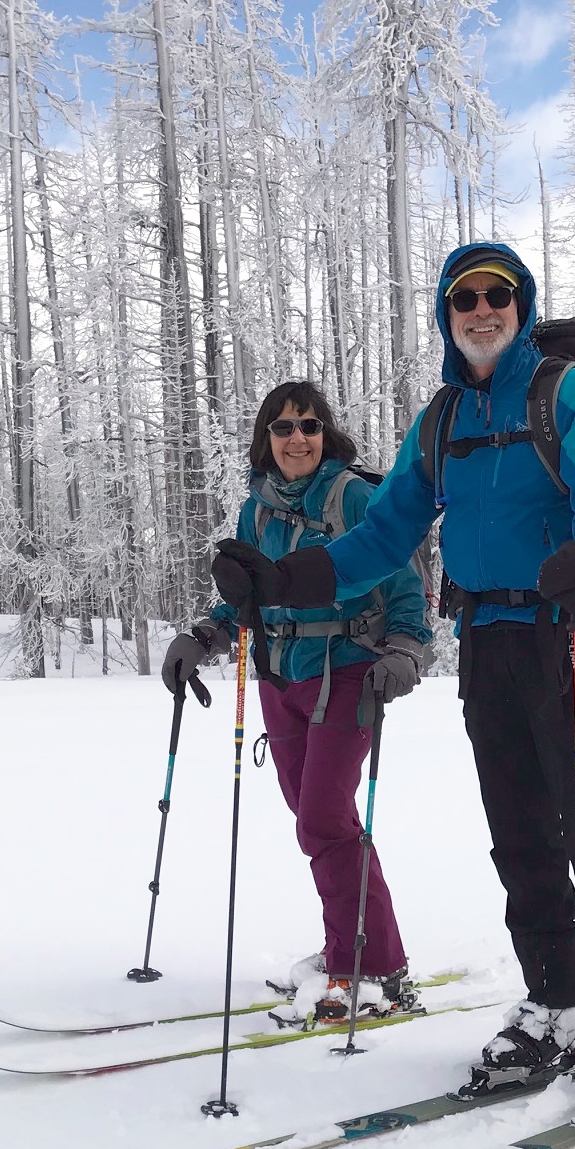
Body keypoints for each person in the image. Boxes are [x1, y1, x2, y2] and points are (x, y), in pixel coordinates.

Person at [210, 244, 575, 1105]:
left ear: (520, 305)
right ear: (447, 313)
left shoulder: (567, 394)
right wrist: (282, 582)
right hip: (488, 638)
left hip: (570, 633)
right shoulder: (442, 421)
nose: (482, 309)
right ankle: (557, 1001)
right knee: (518, 832)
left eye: (498, 295)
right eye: (465, 297)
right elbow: (383, 533)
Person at [161, 383, 431, 1023]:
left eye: (309, 425)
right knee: (319, 822)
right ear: (266, 440)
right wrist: (205, 636)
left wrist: (407, 650)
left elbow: (404, 582)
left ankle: (361, 967)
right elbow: (248, 600)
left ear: (325, 433)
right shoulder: (254, 513)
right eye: (282, 428)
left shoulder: (358, 497)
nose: (297, 438)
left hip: (348, 672)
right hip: (280, 680)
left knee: (324, 820)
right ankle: (364, 952)